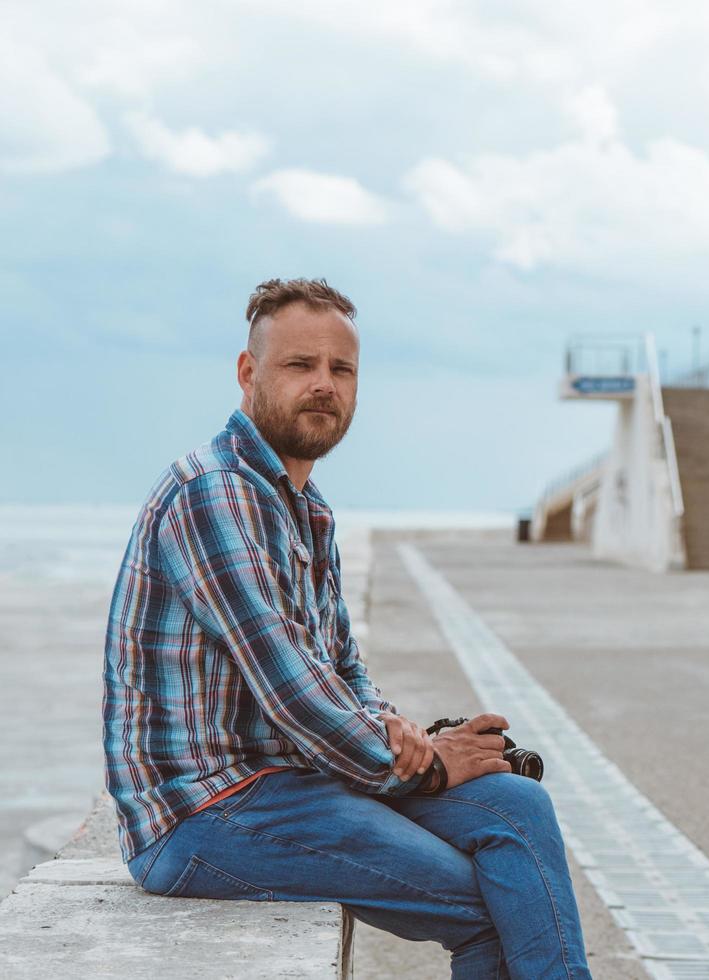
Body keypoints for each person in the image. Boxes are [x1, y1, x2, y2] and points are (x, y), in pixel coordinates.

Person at [102, 277, 592, 979]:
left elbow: (340, 670)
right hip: (203, 813)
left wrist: (399, 729)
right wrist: (424, 768)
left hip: (291, 783)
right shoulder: (213, 493)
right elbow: (293, 693)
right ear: (249, 373)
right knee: (492, 901)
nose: (323, 385)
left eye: (340, 369)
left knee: (515, 804)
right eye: (300, 365)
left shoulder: (306, 507)